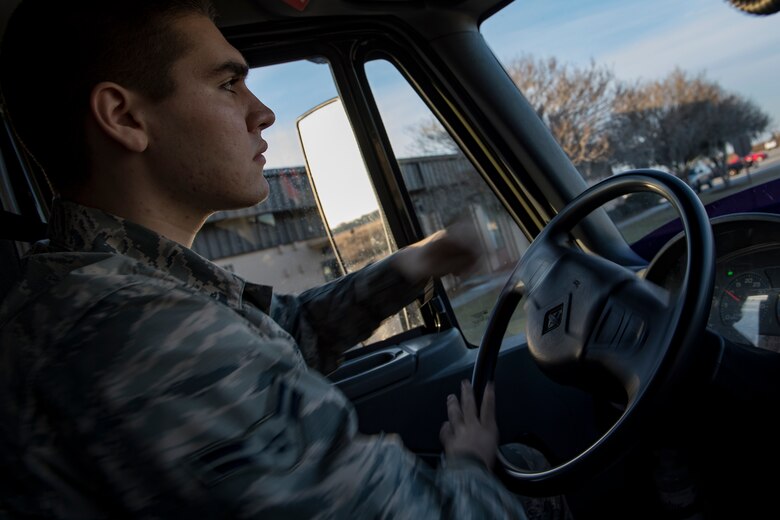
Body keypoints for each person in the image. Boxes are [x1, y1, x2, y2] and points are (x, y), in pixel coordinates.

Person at [0, 0, 536, 517]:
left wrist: (413, 266)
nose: (264, 113)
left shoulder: (93, 285)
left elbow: (286, 331)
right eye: (228, 83)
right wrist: (469, 465)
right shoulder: (141, 330)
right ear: (124, 117)